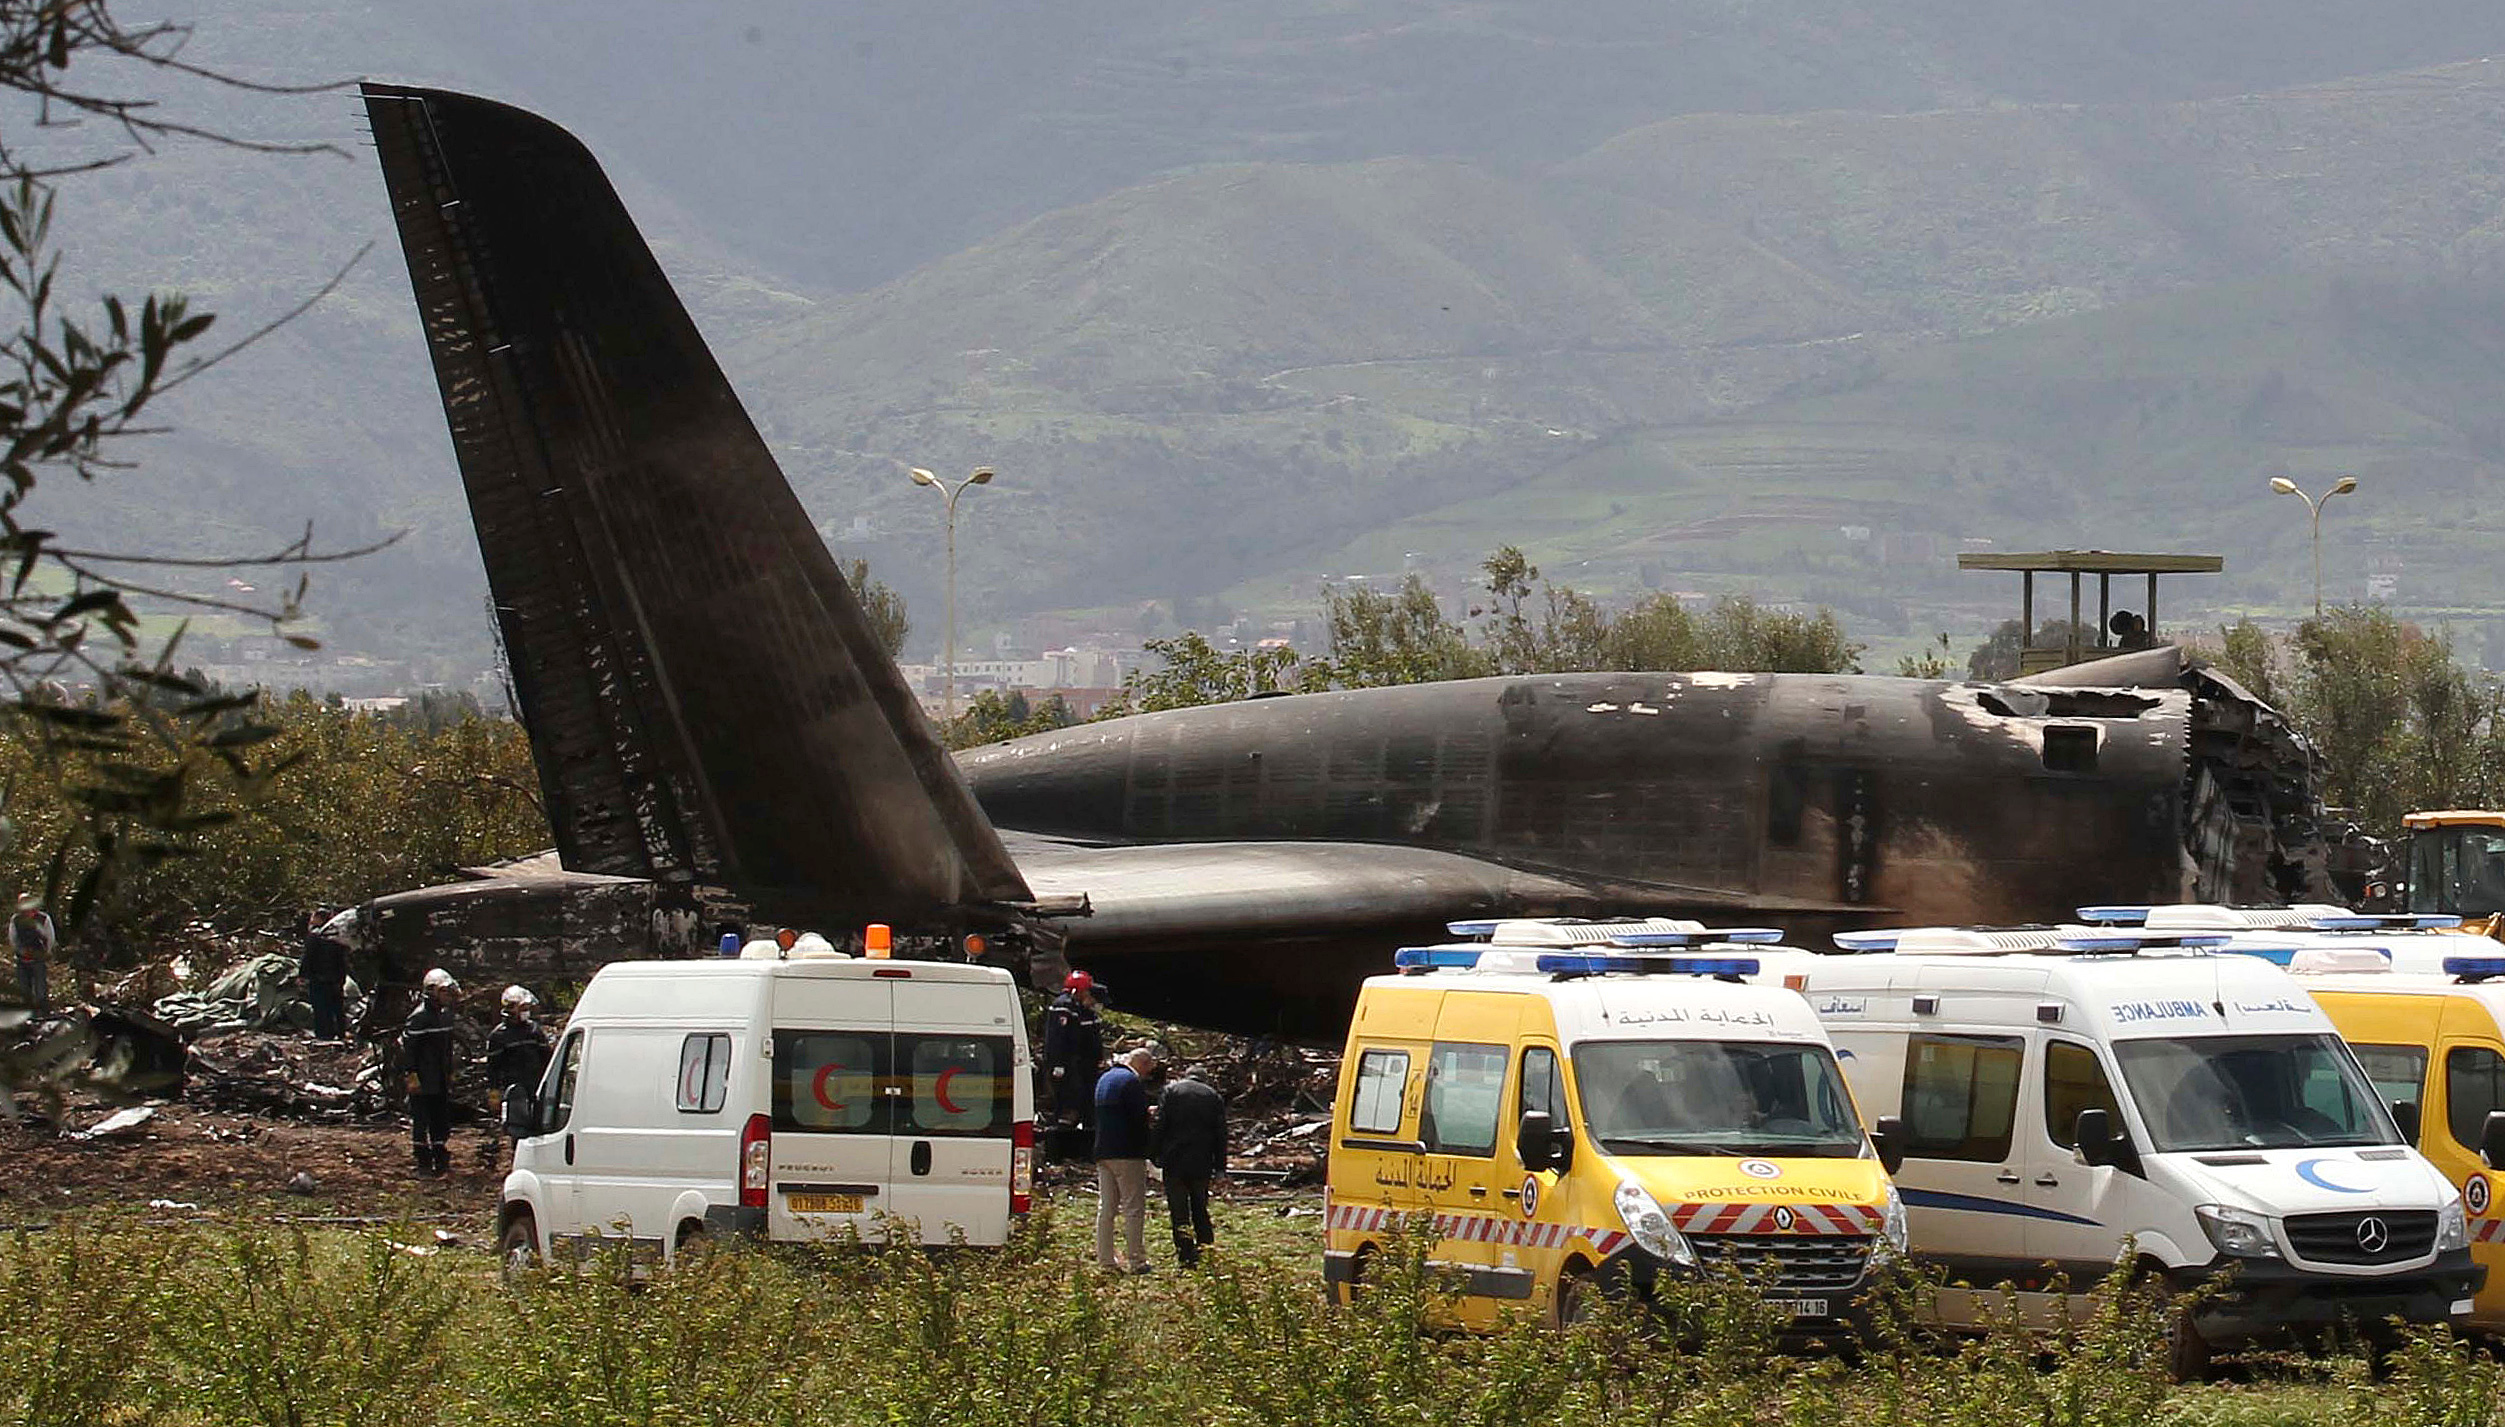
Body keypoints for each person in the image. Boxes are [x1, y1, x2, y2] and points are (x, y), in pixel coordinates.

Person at [1151, 1064, 1228, 1268]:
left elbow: (1161, 1124)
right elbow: (1221, 1134)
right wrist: (1220, 1166)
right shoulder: (1213, 1096)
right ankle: (1206, 1250)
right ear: (1205, 1079)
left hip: (1174, 1161)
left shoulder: (1171, 1091)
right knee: (1200, 1207)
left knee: (1179, 1211)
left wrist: (1154, 1153)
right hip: (1202, 1162)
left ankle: (1186, 1256)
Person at [1094, 1044, 1157, 1274]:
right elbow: (1137, 1119)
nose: (1147, 1076)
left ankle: (1106, 1261)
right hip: (1127, 1153)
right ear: (1142, 1065)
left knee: (1107, 1209)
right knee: (1133, 1207)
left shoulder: (1104, 1079)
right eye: (1148, 1071)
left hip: (1103, 1151)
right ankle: (1136, 1260)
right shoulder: (1131, 1083)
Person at [483, 985, 551, 1167]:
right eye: (522, 1008)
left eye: (527, 1008)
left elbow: (547, 1058)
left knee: (539, 1127)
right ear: (510, 1009)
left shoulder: (534, 1030)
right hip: (515, 1091)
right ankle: (518, 1164)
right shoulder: (498, 1036)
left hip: (536, 1086)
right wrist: (494, 1093)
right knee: (518, 1130)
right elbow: (493, 1067)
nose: (525, 1013)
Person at [403, 968, 460, 1176]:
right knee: (421, 1120)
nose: (447, 997)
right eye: (443, 992)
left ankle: (440, 1155)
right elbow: (410, 1050)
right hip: (423, 1078)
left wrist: (450, 1071)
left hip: (440, 1077)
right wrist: (411, 1075)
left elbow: (447, 1048)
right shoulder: (417, 1018)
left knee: (440, 1117)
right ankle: (423, 1160)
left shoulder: (445, 1018)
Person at [1042, 969, 1106, 1143]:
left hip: (1076, 1063)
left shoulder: (1079, 1008)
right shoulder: (1063, 1007)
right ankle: (1058, 1140)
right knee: (1066, 1102)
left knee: (1080, 1099)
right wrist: (1057, 1063)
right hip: (1065, 1063)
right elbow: (1058, 1037)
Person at [299, 909, 349, 1042]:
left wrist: (302, 975)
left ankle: (324, 1035)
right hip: (336, 978)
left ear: (319, 918)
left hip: (319, 977)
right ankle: (341, 1032)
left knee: (321, 1007)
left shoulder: (315, 935)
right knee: (337, 1006)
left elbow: (308, 957)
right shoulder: (337, 935)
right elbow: (343, 959)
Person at [10, 893, 53, 1016]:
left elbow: (50, 938)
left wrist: (44, 953)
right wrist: (21, 952)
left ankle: (43, 1015)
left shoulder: (43, 918)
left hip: (38, 960)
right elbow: (13, 938)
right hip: (22, 960)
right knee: (24, 991)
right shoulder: (16, 919)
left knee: (41, 991)